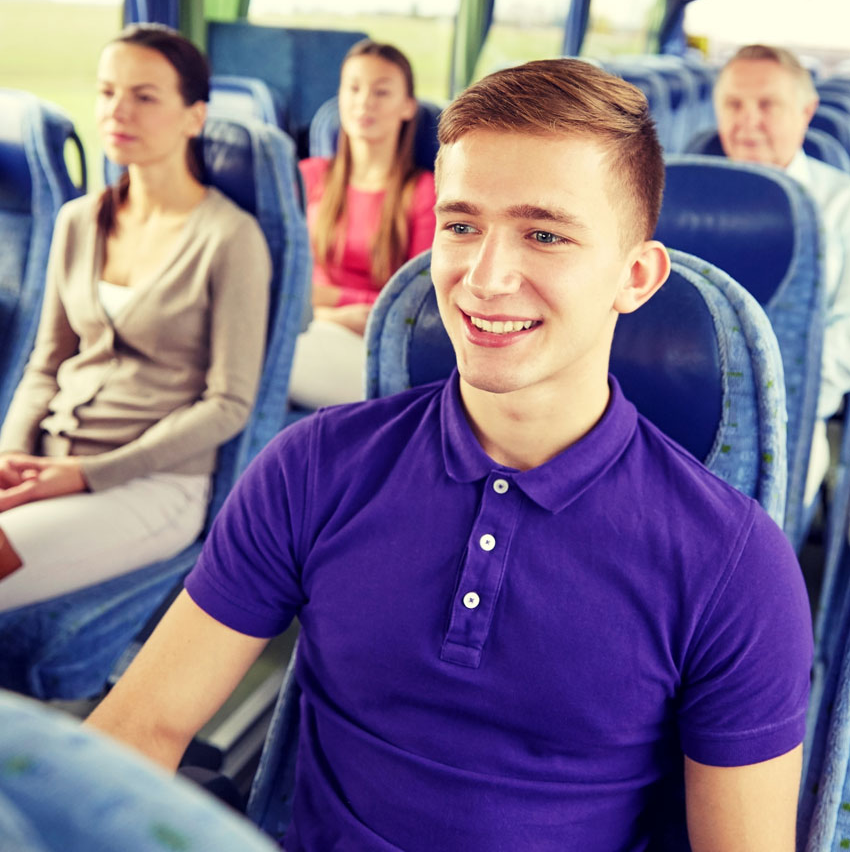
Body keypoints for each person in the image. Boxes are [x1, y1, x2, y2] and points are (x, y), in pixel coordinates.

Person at [87, 59, 812, 852]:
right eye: (462, 226)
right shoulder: (314, 470)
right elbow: (142, 727)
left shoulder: (734, 565)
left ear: (634, 277)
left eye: (544, 234)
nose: (485, 277)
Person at [0, 24, 271, 611]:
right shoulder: (78, 221)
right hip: (48, 456)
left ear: (193, 116)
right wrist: (11, 454)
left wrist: (87, 473)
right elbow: (46, 363)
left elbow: (227, 405)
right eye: (106, 92)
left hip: (153, 483)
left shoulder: (231, 239)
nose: (118, 111)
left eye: (144, 96)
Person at [713, 43, 850, 499]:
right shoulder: (680, 197)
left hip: (791, 415)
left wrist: (781, 395)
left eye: (767, 104)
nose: (747, 121)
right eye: (733, 104)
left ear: (807, 110)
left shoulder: (842, 207)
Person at [287, 39, 436, 408]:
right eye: (353, 88)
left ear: (407, 108)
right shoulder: (308, 176)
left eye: (381, 91)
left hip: (371, 343)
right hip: (307, 324)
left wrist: (331, 302)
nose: (364, 101)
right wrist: (326, 311)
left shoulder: (424, 193)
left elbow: (416, 305)